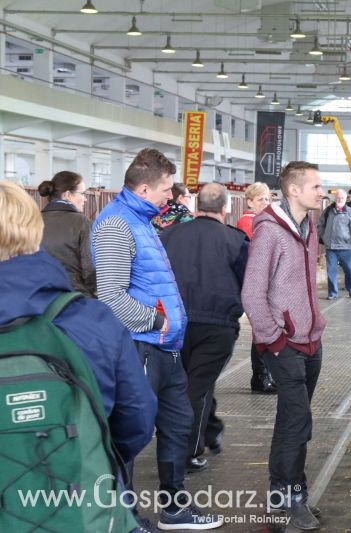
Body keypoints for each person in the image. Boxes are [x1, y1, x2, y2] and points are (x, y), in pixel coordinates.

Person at [0, 181, 156, 533]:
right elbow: (138, 418)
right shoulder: (92, 320)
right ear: (34, 230)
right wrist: (88, 450)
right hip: (84, 511)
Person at [92, 148, 222, 530]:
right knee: (131, 431)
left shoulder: (142, 220)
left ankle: (174, 505)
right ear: (145, 188)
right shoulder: (117, 224)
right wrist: (158, 320)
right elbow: (111, 297)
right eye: (167, 188)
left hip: (164, 347)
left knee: (179, 423)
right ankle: (123, 515)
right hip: (140, 345)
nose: (172, 195)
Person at [242, 161, 326, 531]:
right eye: (316, 186)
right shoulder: (270, 232)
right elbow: (251, 292)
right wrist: (273, 338)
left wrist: (314, 326)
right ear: (294, 190)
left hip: (310, 339)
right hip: (284, 343)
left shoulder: (309, 227)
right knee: (297, 420)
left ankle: (287, 493)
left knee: (295, 419)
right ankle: (291, 499)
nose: (321, 192)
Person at [160, 183, 249, 474]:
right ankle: (186, 452)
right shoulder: (236, 241)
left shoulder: (168, 235)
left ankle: (209, 431)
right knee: (195, 388)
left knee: (189, 383)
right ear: (226, 208)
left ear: (196, 206)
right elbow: (248, 284)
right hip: (217, 327)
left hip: (174, 324)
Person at [236, 182, 277, 394]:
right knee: (261, 330)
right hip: (256, 284)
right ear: (250, 201)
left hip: (268, 282)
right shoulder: (248, 222)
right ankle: (261, 376)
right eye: (261, 199)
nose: (266, 202)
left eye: (268, 198)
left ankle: (264, 374)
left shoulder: (266, 221)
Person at [38, 171, 97, 297]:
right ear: (67, 195)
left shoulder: (33, 220)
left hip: (39, 297)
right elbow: (90, 269)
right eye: (83, 193)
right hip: (73, 298)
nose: (85, 199)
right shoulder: (82, 222)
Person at [318, 189, 351, 300]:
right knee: (331, 270)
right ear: (335, 198)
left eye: (342, 197)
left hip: (346, 247)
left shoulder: (350, 212)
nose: (339, 199)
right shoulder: (328, 211)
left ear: (346, 199)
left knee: (349, 269)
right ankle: (332, 293)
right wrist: (324, 237)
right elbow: (320, 225)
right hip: (331, 247)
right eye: (338, 197)